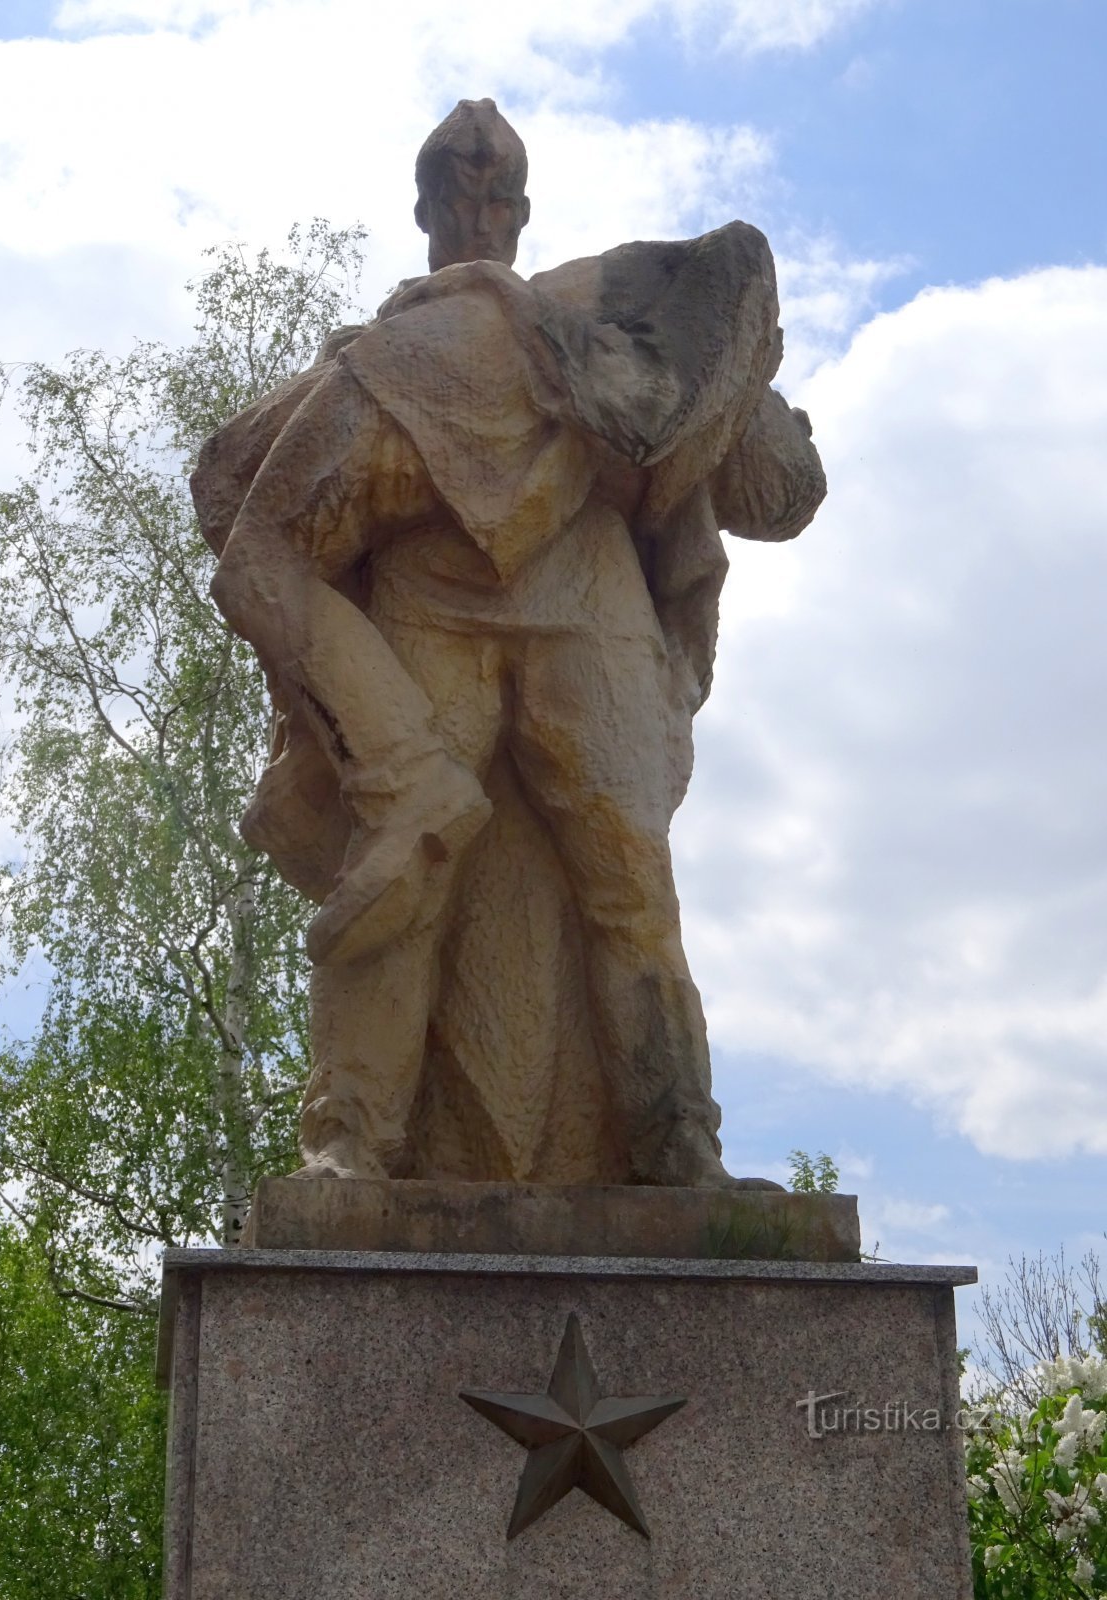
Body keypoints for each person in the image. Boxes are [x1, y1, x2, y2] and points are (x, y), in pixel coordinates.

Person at [194, 100, 825, 1187]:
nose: (479, 214)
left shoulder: (592, 331)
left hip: (585, 592)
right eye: (458, 196)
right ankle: (350, 1139)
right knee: (404, 864)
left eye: (496, 197)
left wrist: (735, 393)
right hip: (428, 600)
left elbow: (783, 494)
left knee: (629, 871)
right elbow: (252, 541)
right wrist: (390, 763)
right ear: (426, 211)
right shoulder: (385, 368)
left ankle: (677, 1142)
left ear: (521, 213)